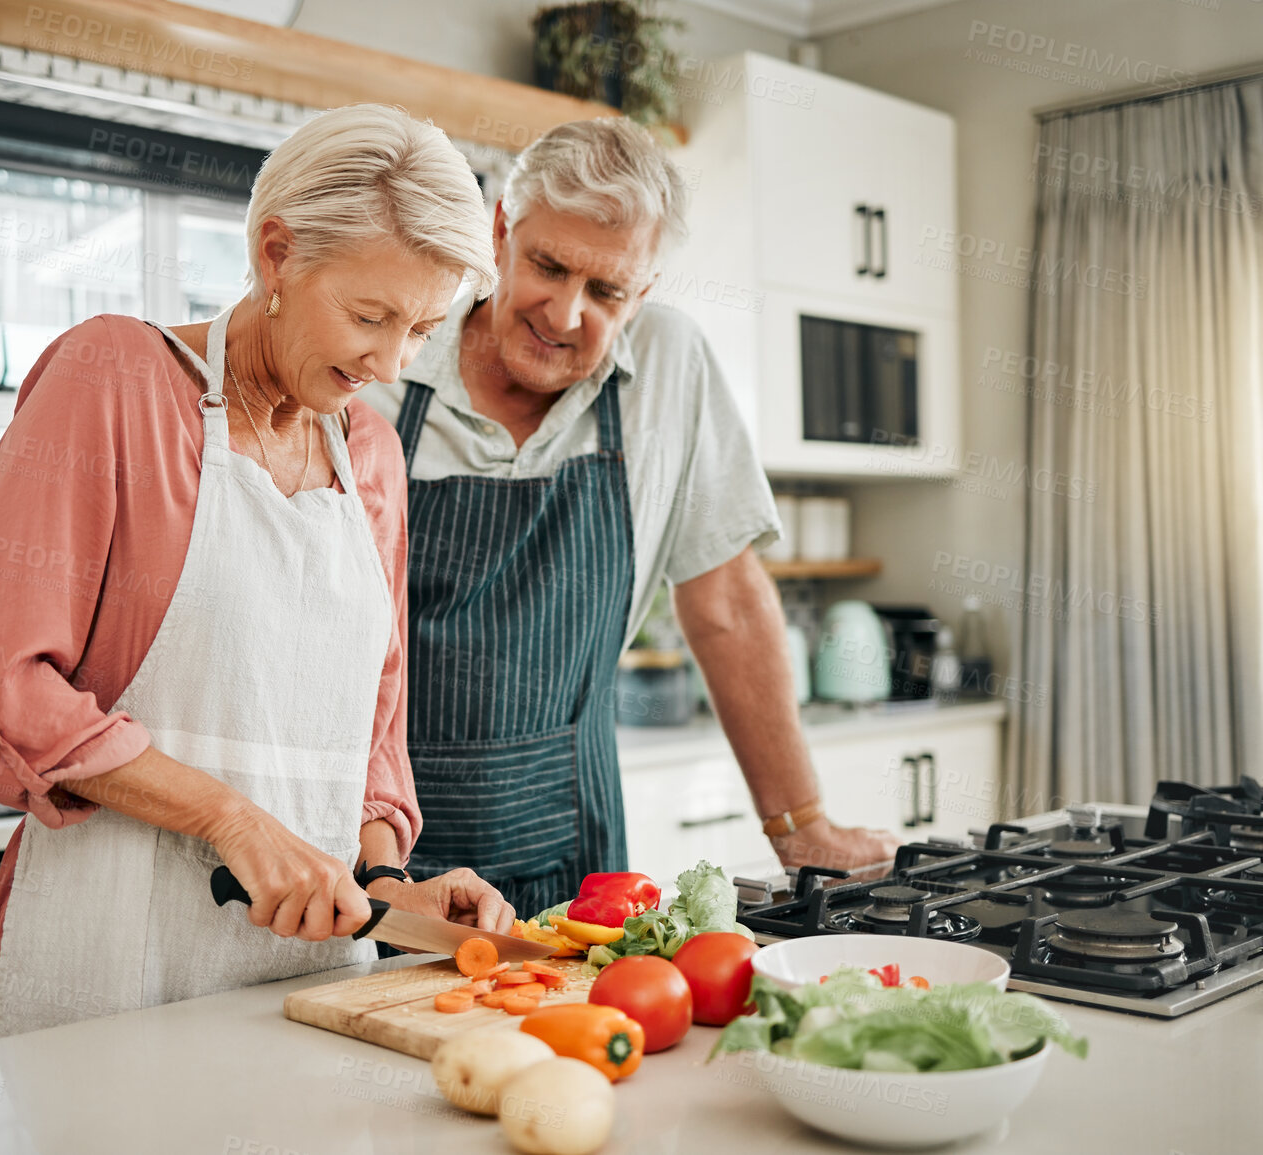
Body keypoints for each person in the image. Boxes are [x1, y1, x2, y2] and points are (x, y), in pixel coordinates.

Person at [0, 105, 511, 1038]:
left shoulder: (370, 453)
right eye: (368, 316)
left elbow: (372, 725)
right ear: (276, 254)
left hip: (312, 973)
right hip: (115, 957)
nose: (390, 361)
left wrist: (394, 884)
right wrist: (231, 821)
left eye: (422, 329)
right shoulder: (112, 379)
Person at [363, 118, 901, 914]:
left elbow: (724, 603)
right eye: (547, 264)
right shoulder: (385, 363)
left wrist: (800, 823)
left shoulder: (670, 368)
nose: (565, 311)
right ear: (501, 229)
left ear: (643, 292)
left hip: (573, 842)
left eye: (607, 290)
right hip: (381, 841)